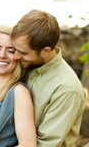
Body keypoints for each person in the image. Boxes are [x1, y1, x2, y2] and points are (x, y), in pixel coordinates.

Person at [10, 9, 85, 146]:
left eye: (23, 52)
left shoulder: (66, 89)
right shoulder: (24, 64)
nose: (15, 56)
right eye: (14, 49)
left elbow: (45, 145)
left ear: (45, 51)